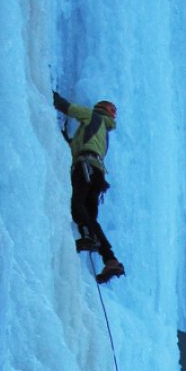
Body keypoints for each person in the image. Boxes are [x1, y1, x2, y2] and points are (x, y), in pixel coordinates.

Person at [52, 90, 125, 284]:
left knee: (77, 205)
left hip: (85, 167)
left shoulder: (93, 116)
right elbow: (79, 145)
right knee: (90, 217)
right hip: (97, 174)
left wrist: (49, 94)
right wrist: (66, 139)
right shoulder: (103, 135)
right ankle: (110, 259)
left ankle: (88, 237)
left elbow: (67, 108)